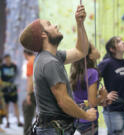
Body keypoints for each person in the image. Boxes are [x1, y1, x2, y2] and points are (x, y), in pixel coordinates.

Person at [19, 4, 97, 135]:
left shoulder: (53, 56)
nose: (55, 26)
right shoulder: (49, 62)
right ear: (43, 35)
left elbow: (81, 51)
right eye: (49, 25)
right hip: (53, 130)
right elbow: (63, 101)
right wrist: (86, 115)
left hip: (54, 128)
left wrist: (80, 24)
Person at [70, 43, 118, 135]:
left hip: (77, 119)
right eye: (94, 48)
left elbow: (83, 100)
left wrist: (101, 101)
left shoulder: (77, 73)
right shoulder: (93, 72)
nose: (97, 50)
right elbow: (92, 102)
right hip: (88, 120)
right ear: (90, 56)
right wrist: (102, 96)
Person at [98, 36, 124, 135]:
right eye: (118, 42)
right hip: (113, 109)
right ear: (112, 49)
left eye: (122, 40)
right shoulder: (106, 64)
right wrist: (102, 96)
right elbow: (92, 81)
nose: (123, 42)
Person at [0, 54, 23, 128]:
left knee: (15, 104)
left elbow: (17, 76)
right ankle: (7, 122)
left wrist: (15, 84)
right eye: (6, 59)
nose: (7, 60)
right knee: (6, 105)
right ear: (4, 60)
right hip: (5, 89)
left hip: (13, 88)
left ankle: (19, 121)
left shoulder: (14, 66)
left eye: (8, 59)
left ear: (10, 59)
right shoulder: (2, 67)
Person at [22, 49, 36, 135]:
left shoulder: (30, 62)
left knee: (27, 110)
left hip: (34, 92)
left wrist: (28, 94)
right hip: (43, 91)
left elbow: (30, 80)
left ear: (25, 54)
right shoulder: (37, 58)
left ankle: (27, 132)